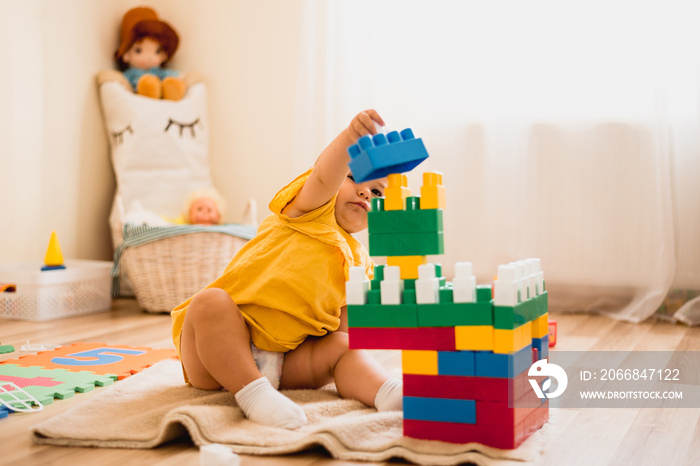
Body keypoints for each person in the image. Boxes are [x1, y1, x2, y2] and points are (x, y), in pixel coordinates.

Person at [171, 110, 402, 429]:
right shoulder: (309, 211)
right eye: (353, 178)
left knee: (345, 347)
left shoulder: (361, 262)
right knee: (209, 302)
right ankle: (253, 394)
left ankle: (386, 392)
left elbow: (343, 329)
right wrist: (351, 137)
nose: (365, 192)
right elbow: (323, 176)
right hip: (215, 349)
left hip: (287, 361)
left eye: (377, 192)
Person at [114, 7, 186, 101]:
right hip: (139, 100)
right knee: (148, 85)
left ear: (164, 55)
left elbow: (175, 75)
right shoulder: (131, 74)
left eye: (157, 51)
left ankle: (171, 94)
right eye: (138, 51)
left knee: (171, 84)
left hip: (164, 104)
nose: (149, 58)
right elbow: (122, 81)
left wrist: (186, 78)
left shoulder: (159, 72)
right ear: (126, 55)